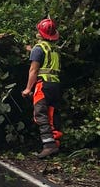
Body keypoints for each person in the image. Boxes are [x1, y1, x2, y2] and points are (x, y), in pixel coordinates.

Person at [21, 18, 63, 158]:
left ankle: (48, 145)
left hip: (43, 85)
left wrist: (28, 89)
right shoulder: (54, 49)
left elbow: (33, 70)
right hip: (55, 85)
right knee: (52, 114)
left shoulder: (39, 49)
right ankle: (55, 143)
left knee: (41, 115)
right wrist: (30, 49)